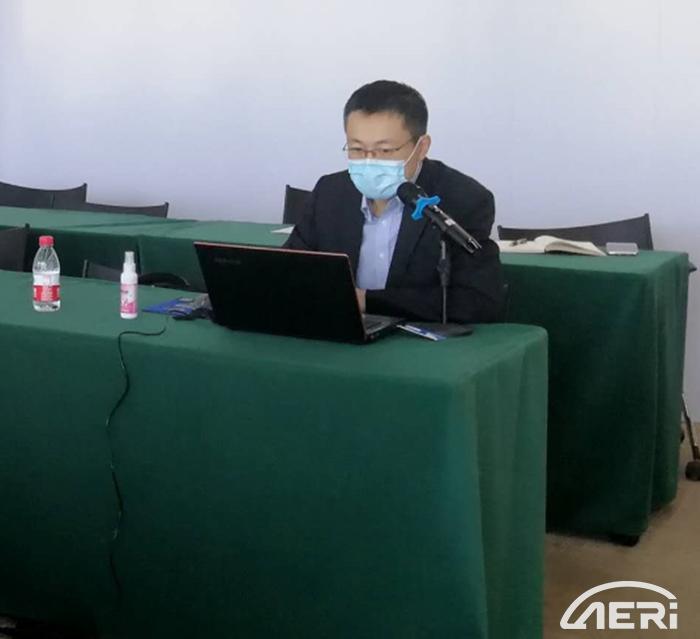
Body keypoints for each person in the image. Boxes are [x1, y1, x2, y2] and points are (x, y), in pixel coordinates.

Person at [285, 80, 504, 323]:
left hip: (413, 340)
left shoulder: (462, 199)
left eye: (385, 150)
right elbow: (289, 270)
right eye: (357, 149)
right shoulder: (331, 192)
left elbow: (478, 300)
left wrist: (367, 300)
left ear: (421, 147)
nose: (369, 161)